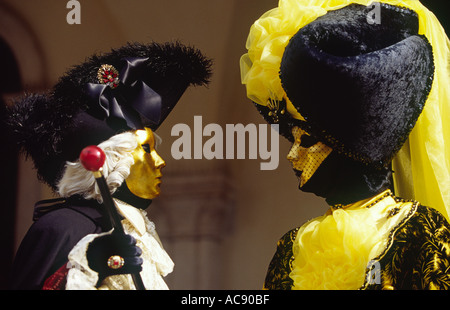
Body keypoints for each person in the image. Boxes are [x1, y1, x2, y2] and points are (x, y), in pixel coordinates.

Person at [240, 0, 450, 289]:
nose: (291, 155)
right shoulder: (291, 248)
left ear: (347, 147)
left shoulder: (416, 232)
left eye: (308, 140)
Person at [7, 42, 212, 290]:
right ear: (110, 162)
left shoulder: (136, 234)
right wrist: (91, 265)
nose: (160, 161)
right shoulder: (61, 227)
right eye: (146, 149)